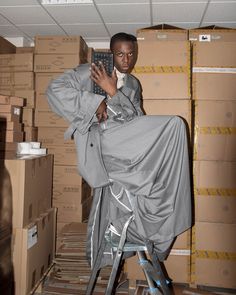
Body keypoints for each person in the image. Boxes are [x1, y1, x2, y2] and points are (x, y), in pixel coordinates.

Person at [47, 32, 192, 270]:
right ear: (111, 53)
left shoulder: (134, 84)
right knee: (175, 125)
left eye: (131, 53)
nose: (126, 59)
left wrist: (114, 93)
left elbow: (137, 119)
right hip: (102, 142)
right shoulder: (91, 72)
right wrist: (96, 101)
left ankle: (158, 223)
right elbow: (54, 90)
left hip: (126, 141)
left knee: (162, 167)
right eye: (120, 54)